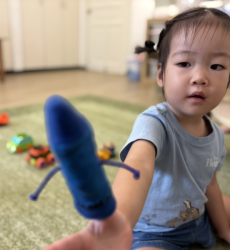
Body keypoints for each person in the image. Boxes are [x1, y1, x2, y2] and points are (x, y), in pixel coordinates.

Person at [44, 7, 230, 250]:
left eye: (216, 66)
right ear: (161, 74)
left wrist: (224, 228)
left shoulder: (216, 134)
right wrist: (118, 221)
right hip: (153, 231)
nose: (200, 77)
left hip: (196, 219)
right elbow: (137, 167)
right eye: (184, 63)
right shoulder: (154, 121)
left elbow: (210, 184)